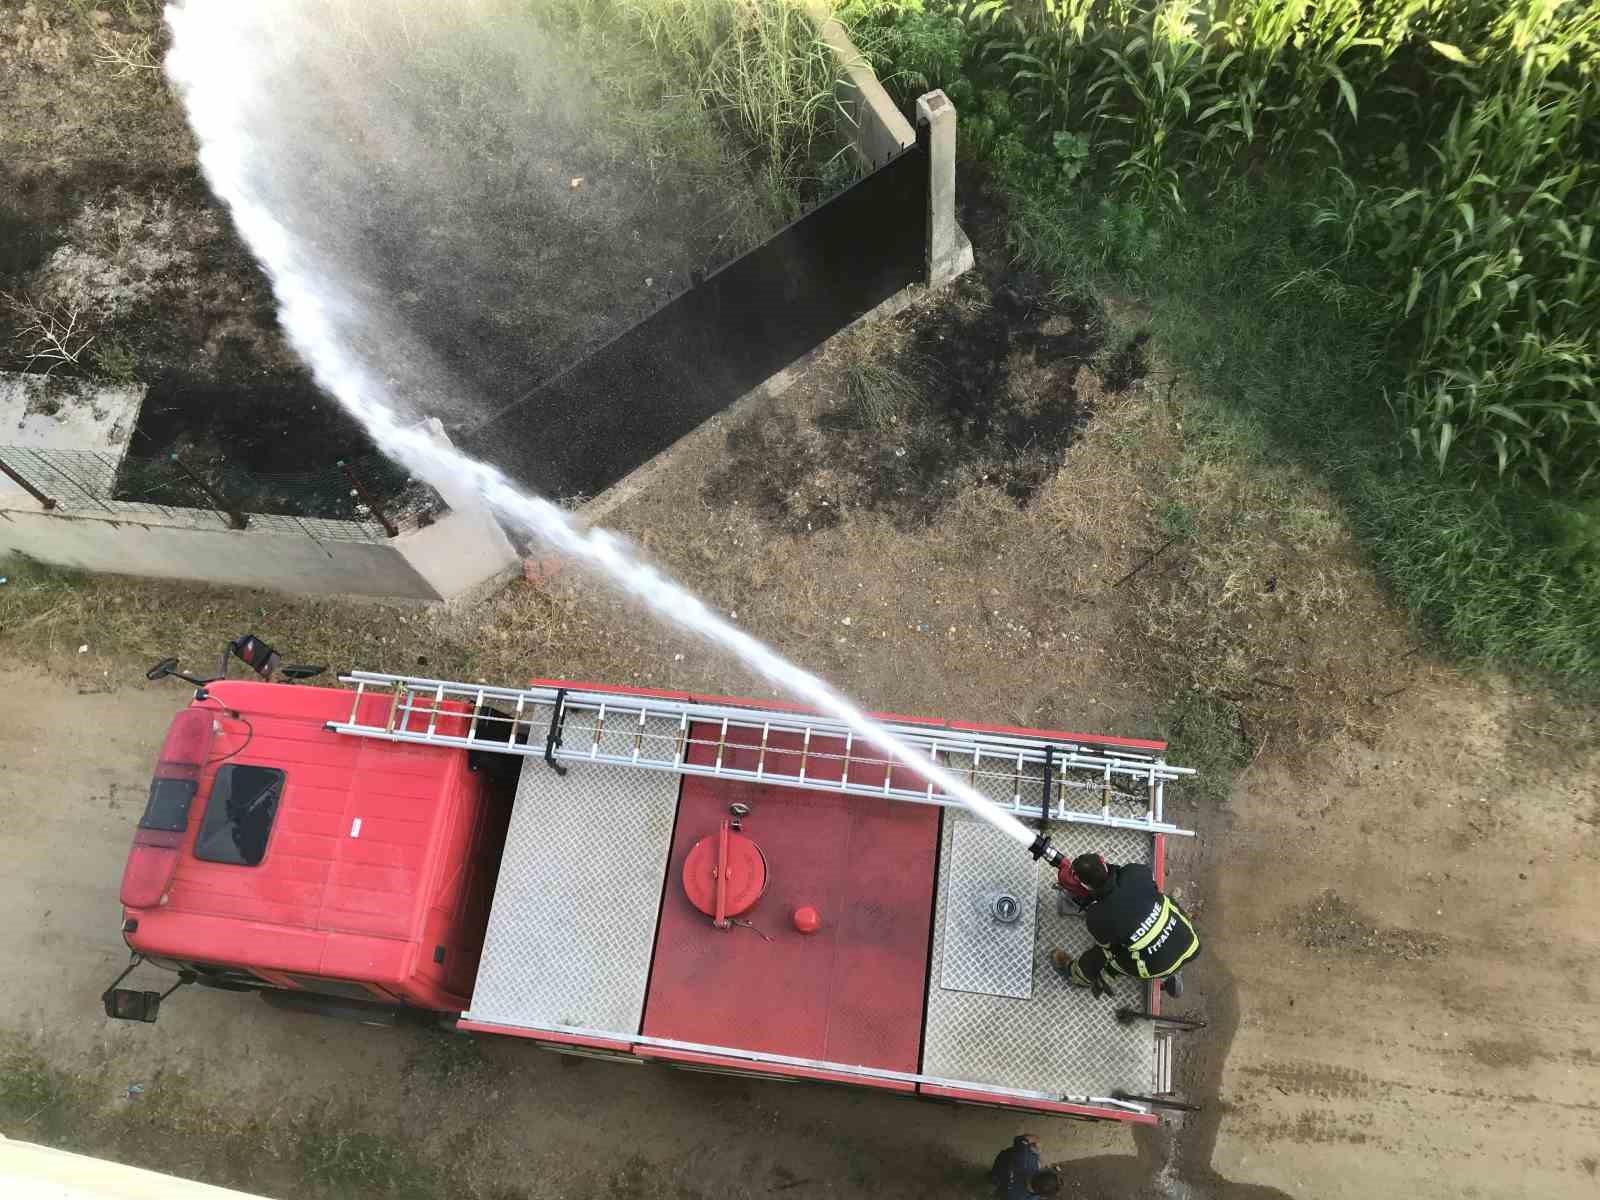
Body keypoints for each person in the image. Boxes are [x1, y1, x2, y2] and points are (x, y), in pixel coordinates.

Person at [1051, 852, 1199, 1000]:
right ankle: (1172, 971)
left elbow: (1109, 948)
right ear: (1103, 861)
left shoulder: (1096, 918)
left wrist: (1098, 909)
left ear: (1083, 884)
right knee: (1161, 906)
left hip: (1157, 964)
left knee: (1105, 953)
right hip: (1189, 941)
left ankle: (1079, 976)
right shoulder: (1136, 871)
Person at [989, 1135, 1062, 1199]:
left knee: (994, 1176)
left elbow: (1020, 1139)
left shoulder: (1028, 1157)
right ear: (1042, 1196)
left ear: (1040, 1171)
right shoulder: (1025, 1197)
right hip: (1005, 1192)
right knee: (1000, 1192)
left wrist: (1036, 1139)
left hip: (1000, 1167)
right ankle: (995, 1192)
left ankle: (992, 1178)